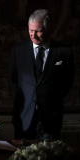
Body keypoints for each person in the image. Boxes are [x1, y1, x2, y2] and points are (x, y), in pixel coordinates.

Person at [9, 9, 75, 140]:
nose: (33, 35)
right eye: (30, 30)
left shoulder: (64, 52)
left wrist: (51, 99)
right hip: (24, 116)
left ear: (48, 29)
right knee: (22, 159)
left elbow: (67, 83)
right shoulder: (18, 50)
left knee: (50, 158)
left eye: (38, 31)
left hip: (50, 118)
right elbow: (13, 80)